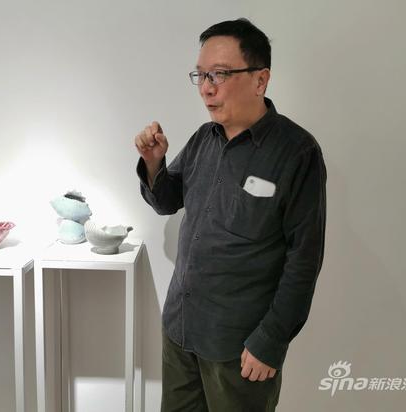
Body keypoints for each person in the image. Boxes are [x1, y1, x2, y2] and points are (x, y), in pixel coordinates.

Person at [135, 18, 326, 412]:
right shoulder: (203, 140)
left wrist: (270, 341)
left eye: (220, 74)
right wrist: (154, 162)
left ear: (260, 80)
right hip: (181, 330)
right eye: (201, 75)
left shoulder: (297, 152)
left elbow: (304, 259)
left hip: (240, 349)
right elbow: (166, 201)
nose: (207, 87)